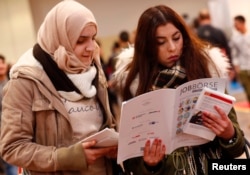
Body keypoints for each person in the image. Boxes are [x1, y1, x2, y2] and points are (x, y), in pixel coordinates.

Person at [113, 5, 245, 175]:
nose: (172, 48)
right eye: (160, 42)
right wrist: (150, 165)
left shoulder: (208, 70)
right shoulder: (135, 85)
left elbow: (238, 149)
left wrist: (230, 134)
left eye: (176, 38)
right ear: (146, 46)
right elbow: (132, 163)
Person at [0, 0, 118, 174]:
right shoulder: (26, 81)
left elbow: (106, 125)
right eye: (81, 40)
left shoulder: (93, 71)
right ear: (59, 38)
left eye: (93, 38)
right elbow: (12, 147)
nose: (92, 47)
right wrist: (68, 157)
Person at [0, 55, 18, 175]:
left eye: (2, 63)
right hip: (3, 134)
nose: (1, 66)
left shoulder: (14, 81)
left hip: (17, 130)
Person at [229, 15, 250, 103]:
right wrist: (236, 66)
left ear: (243, 23)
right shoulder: (235, 39)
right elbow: (234, 54)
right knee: (248, 90)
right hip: (243, 67)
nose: (235, 26)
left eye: (236, 24)